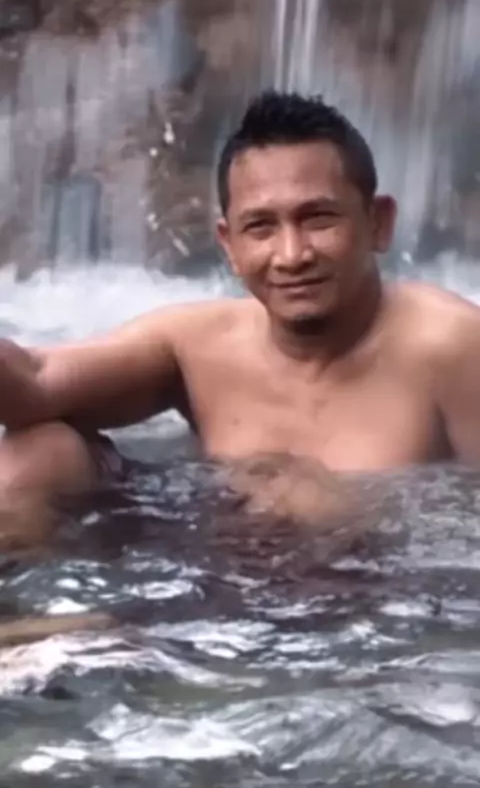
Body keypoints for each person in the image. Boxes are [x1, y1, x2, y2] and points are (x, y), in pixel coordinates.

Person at [1, 90, 480, 546]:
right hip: (207, 572)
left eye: (318, 218)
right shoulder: (195, 346)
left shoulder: (453, 348)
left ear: (378, 222)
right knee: (37, 457)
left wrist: (359, 516)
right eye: (261, 227)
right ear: (229, 244)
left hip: (382, 584)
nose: (291, 255)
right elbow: (35, 384)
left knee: (309, 506)